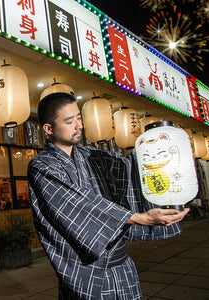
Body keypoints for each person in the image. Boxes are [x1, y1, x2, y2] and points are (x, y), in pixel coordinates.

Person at [28, 92, 189, 300]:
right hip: (88, 275)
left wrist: (160, 144)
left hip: (123, 267)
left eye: (79, 118)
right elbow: (79, 205)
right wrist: (141, 218)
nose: (79, 126)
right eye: (70, 121)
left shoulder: (91, 155)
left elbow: (129, 168)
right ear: (48, 129)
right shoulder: (42, 166)